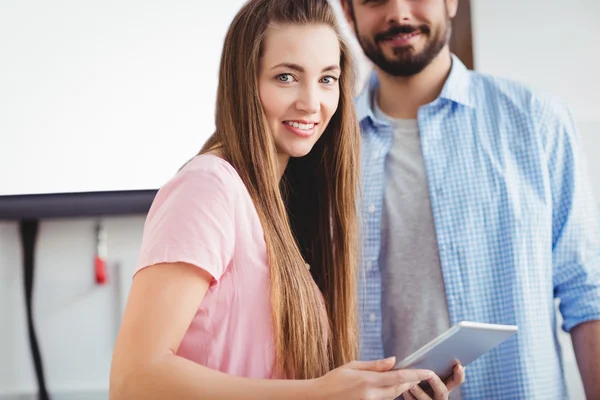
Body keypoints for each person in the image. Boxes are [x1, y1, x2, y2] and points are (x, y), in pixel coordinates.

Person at [109, 0, 465, 399]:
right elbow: (132, 381)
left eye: (327, 79)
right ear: (246, 82)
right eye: (286, 77)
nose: (312, 103)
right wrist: (318, 394)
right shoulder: (208, 188)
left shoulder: (287, 202)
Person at [338, 0, 600, 398]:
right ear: (348, 9)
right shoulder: (324, 149)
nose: (398, 13)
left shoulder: (538, 121)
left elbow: (589, 295)